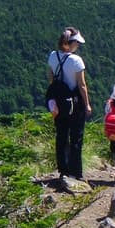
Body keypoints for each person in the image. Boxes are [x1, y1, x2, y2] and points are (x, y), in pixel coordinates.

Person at [46, 26, 91, 180]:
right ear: (70, 43)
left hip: (59, 102)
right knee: (76, 137)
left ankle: (63, 170)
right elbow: (82, 85)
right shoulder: (76, 60)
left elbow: (51, 79)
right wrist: (87, 105)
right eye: (77, 43)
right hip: (75, 103)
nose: (78, 46)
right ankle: (76, 172)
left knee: (61, 135)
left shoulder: (52, 56)